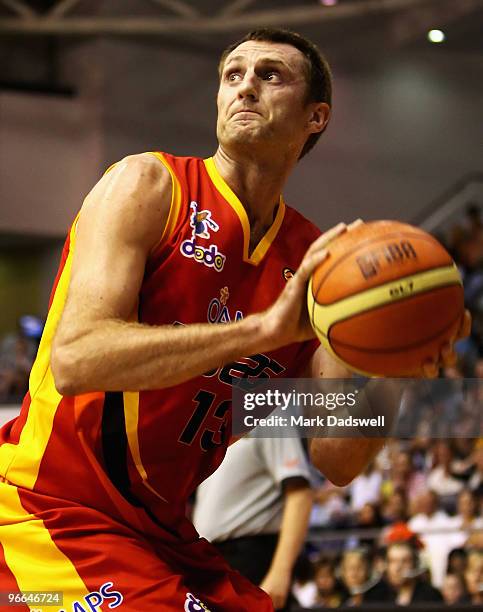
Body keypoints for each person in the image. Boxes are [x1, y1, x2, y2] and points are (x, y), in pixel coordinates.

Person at [0, 27, 468, 610]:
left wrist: (396, 364)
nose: (245, 87)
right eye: (233, 75)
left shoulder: (318, 265)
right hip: (47, 508)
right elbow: (75, 359)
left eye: (270, 75)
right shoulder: (148, 184)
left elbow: (337, 458)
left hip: (163, 535)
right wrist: (263, 331)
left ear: (315, 116)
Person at [193, 433, 313, 610]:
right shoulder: (216, 425)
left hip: (251, 556)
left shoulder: (271, 414)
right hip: (211, 558)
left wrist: (280, 572)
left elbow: (300, 494)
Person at [364, 541, 443, 606]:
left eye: (405, 561)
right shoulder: (375, 596)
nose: (398, 567)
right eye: (393, 561)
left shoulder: (431, 595)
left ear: (415, 564)